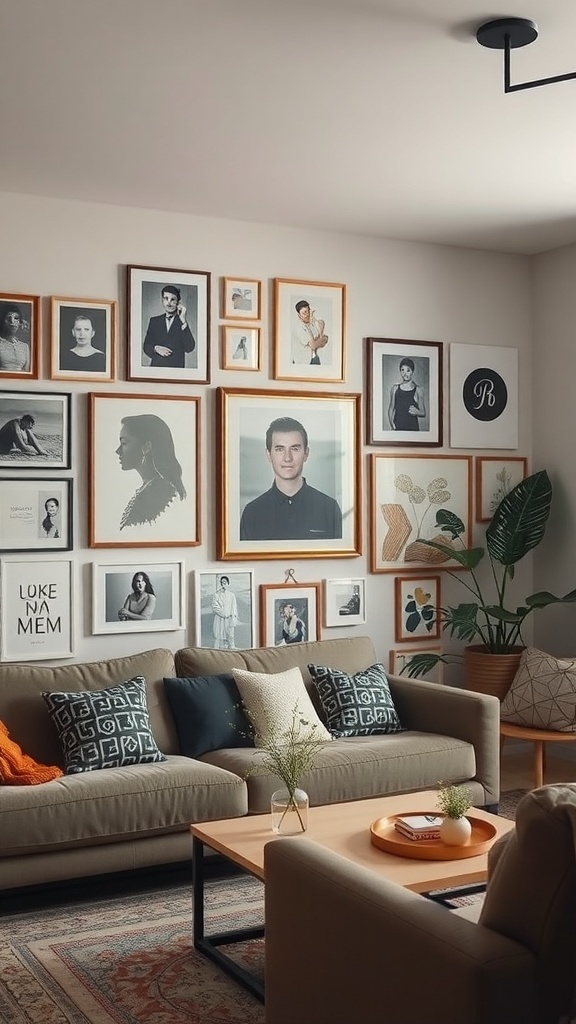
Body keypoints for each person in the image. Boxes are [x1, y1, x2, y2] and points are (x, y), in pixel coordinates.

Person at [239, 416, 342, 541]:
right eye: (279, 449)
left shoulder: (329, 508)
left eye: (295, 448)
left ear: (306, 453)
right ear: (268, 455)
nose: (287, 458)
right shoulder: (252, 513)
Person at [116, 414, 187, 530]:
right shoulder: (149, 488)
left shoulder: (162, 492)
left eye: (124, 443)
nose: (118, 451)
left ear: (146, 446)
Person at [142, 285, 195, 368]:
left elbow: (189, 347)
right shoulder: (154, 321)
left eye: (172, 299)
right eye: (166, 298)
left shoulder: (182, 322)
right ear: (162, 300)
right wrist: (156, 348)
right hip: (156, 370)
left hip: (176, 372)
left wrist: (183, 321)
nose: (169, 302)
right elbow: (146, 346)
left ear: (178, 302)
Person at [388, 357, 427, 431]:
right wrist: (391, 423)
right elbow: (391, 408)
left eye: (408, 370)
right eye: (402, 370)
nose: (405, 373)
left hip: (412, 429)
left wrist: (417, 412)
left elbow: (423, 412)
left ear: (412, 371)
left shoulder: (418, 390)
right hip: (398, 427)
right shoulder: (395, 388)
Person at [291, 300, 328, 365]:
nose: (308, 315)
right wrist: (321, 339)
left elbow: (325, 337)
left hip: (314, 358)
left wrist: (321, 336)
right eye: (304, 313)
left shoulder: (312, 322)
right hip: (303, 362)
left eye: (308, 311)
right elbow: (313, 345)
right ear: (299, 315)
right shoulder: (299, 328)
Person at [0, 302, 30, 372]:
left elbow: (27, 371)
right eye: (8, 318)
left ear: (20, 322)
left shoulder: (24, 346)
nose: (12, 322)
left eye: (16, 318)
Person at [211, 576, 239, 649]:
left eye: (225, 582)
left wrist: (232, 617)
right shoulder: (216, 594)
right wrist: (223, 614)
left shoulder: (231, 595)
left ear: (227, 583)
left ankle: (231, 647)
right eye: (222, 582)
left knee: (230, 635)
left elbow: (234, 607)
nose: (223, 584)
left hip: (229, 619)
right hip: (219, 619)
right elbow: (214, 606)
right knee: (220, 636)